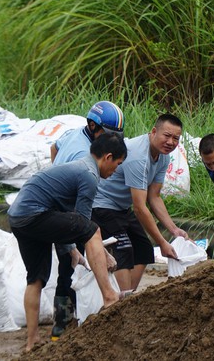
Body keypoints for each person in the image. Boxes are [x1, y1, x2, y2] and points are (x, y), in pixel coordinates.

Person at [8, 133, 128, 352]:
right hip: (35, 214)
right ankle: (110, 296)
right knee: (93, 230)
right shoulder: (89, 175)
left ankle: (31, 342)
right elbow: (84, 227)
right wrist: (104, 254)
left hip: (19, 218)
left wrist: (73, 252)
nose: (116, 171)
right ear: (108, 157)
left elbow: (66, 221)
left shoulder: (79, 166)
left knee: (35, 279)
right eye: (118, 164)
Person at [49, 100, 125, 341]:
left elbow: (54, 146)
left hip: (62, 204)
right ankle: (63, 324)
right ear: (93, 126)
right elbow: (83, 217)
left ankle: (69, 320)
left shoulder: (74, 135)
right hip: (63, 211)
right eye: (108, 134)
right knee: (69, 265)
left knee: (71, 263)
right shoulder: (85, 154)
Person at [92, 113, 189, 292]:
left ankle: (128, 296)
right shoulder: (137, 156)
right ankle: (121, 303)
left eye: (176, 138)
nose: (171, 142)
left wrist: (174, 230)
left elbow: (154, 197)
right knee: (124, 249)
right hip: (101, 204)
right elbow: (139, 207)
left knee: (144, 249)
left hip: (120, 207)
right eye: (167, 136)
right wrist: (162, 242)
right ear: (153, 132)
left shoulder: (163, 156)